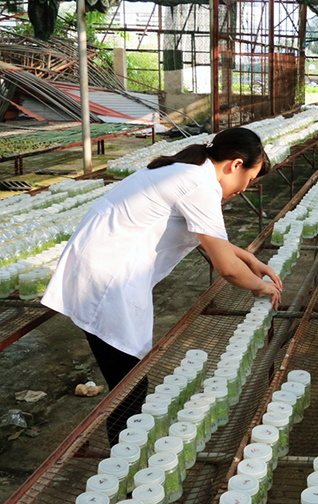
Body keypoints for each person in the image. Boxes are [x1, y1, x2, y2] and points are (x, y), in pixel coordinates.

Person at [42, 127, 283, 444]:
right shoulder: (199, 184)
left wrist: (251, 261)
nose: (243, 190)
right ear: (236, 165)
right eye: (249, 181)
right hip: (106, 280)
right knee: (129, 388)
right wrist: (260, 286)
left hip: (99, 270)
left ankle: (125, 459)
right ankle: (124, 468)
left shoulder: (186, 171)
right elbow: (226, 267)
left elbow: (211, 241)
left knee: (128, 382)